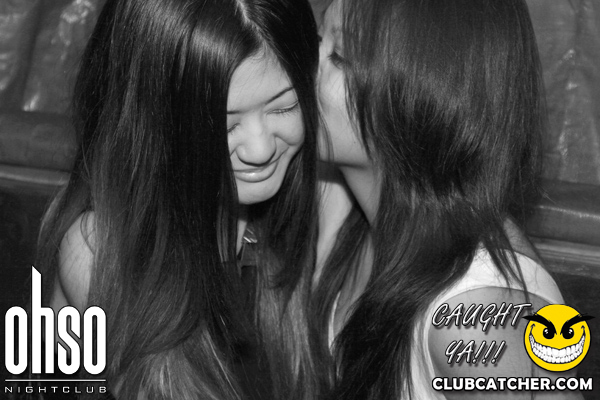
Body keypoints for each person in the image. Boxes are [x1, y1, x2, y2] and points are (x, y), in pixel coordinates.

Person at [35, 0, 319, 398]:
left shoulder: (292, 212)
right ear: (152, 122)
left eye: (284, 106)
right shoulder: (101, 249)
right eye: (223, 125)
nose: (260, 149)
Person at [313, 0, 583, 398]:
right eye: (318, 37)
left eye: (337, 55)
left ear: (421, 92)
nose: (306, 62)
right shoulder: (352, 207)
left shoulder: (479, 319)